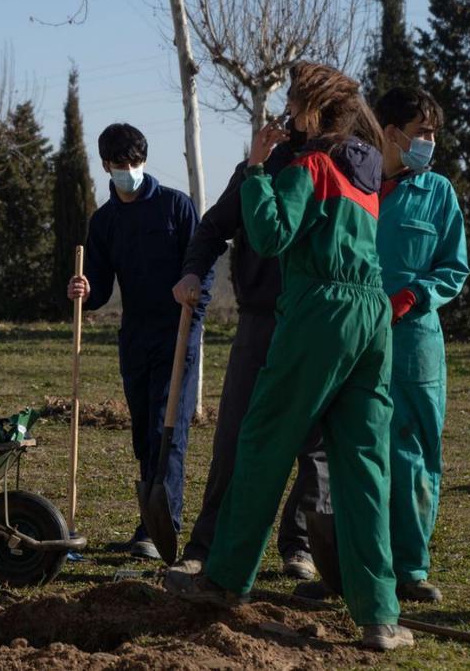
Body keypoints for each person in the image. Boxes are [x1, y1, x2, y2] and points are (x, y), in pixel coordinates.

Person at [186, 62, 413, 651]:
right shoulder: (365, 169)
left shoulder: (311, 164)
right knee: (364, 466)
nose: (286, 113)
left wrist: (258, 170)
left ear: (312, 108)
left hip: (321, 314)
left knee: (263, 441)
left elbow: (268, 235)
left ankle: (223, 579)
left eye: (291, 103)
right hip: (373, 319)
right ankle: (380, 618)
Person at [165, 132, 329, 589]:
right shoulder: (259, 172)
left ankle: (299, 543)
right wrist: (193, 269)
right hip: (260, 322)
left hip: (315, 322)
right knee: (234, 437)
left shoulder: (337, 169)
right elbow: (213, 227)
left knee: (313, 441)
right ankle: (205, 546)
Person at [67, 123, 210, 561]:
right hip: (135, 337)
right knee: (144, 431)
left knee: (170, 430)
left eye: (135, 163)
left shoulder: (176, 207)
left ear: (143, 162)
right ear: (106, 166)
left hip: (177, 333)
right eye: (120, 164)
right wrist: (84, 292)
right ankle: (147, 523)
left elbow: (202, 268)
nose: (128, 171)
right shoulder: (105, 221)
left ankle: (163, 528)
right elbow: (102, 286)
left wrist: (194, 310)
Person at [373, 86, 469, 603]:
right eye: (423, 132)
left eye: (433, 133)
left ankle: (410, 567)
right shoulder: (359, 184)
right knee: (360, 450)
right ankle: (357, 561)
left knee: (413, 454)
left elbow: (455, 268)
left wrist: (413, 295)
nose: (430, 142)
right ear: (391, 133)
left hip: (415, 346)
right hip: (359, 338)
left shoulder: (438, 194)